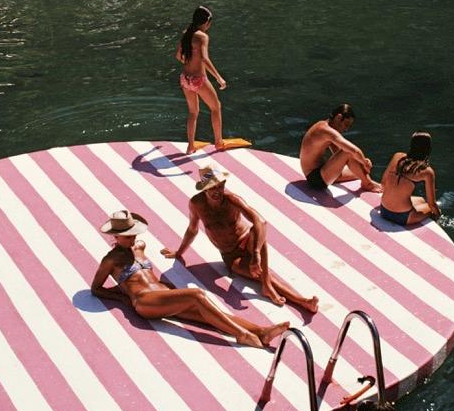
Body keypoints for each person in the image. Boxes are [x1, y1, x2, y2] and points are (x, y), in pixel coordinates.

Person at [91, 209, 290, 349]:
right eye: (126, 236)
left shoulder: (140, 246)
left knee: (209, 313)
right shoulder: (110, 260)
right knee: (197, 295)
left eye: (133, 234)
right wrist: (123, 298)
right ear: (115, 237)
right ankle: (242, 335)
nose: (132, 238)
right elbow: (96, 288)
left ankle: (261, 331)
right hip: (144, 301)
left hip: (163, 295)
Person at [162, 164, 319, 312]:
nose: (217, 191)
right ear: (204, 189)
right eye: (212, 188)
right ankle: (294, 297)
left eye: (220, 186)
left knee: (258, 231)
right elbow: (192, 229)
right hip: (231, 255)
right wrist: (179, 252)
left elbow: (261, 221)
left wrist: (256, 253)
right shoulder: (196, 204)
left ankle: (289, 294)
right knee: (257, 273)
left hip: (248, 242)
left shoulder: (232, 200)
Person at [175, 5, 226, 152]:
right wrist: (219, 78)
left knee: (193, 112)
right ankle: (218, 142)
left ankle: (191, 145)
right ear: (206, 22)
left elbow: (178, 56)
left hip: (185, 79)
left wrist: (190, 62)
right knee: (216, 108)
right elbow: (204, 59)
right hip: (198, 80)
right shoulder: (202, 37)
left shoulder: (186, 34)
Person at [299, 104, 381, 193]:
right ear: (338, 117)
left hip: (322, 173)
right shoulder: (324, 130)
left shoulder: (327, 127)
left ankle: (367, 182)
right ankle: (367, 184)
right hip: (315, 179)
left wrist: (362, 164)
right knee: (349, 152)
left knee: (360, 170)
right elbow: (353, 150)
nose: (346, 129)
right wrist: (364, 162)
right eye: (346, 124)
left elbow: (338, 152)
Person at [378, 131, 441, 226]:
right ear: (428, 148)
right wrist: (438, 215)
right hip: (402, 217)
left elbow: (383, 182)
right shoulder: (427, 171)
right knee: (434, 209)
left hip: (383, 210)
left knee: (421, 200)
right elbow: (432, 204)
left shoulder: (397, 156)